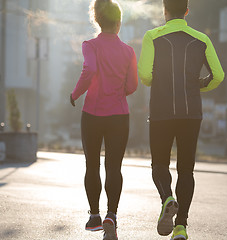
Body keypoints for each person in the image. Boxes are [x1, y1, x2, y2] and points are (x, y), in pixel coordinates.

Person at [138, 0, 225, 239]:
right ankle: (181, 227)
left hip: (161, 113)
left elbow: (145, 76)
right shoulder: (201, 39)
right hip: (191, 113)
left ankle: (167, 198)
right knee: (186, 170)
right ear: (187, 11)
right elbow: (218, 75)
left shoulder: (152, 36)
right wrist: (197, 87)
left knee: (159, 165)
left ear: (164, 11)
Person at [70, 0, 138, 239]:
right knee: (114, 167)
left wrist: (75, 93)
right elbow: (132, 85)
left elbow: (88, 70)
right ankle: (112, 214)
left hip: (92, 114)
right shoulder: (129, 51)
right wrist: (118, 94)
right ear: (119, 23)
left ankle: (95, 216)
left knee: (92, 165)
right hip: (119, 115)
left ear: (97, 20)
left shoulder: (90, 45)